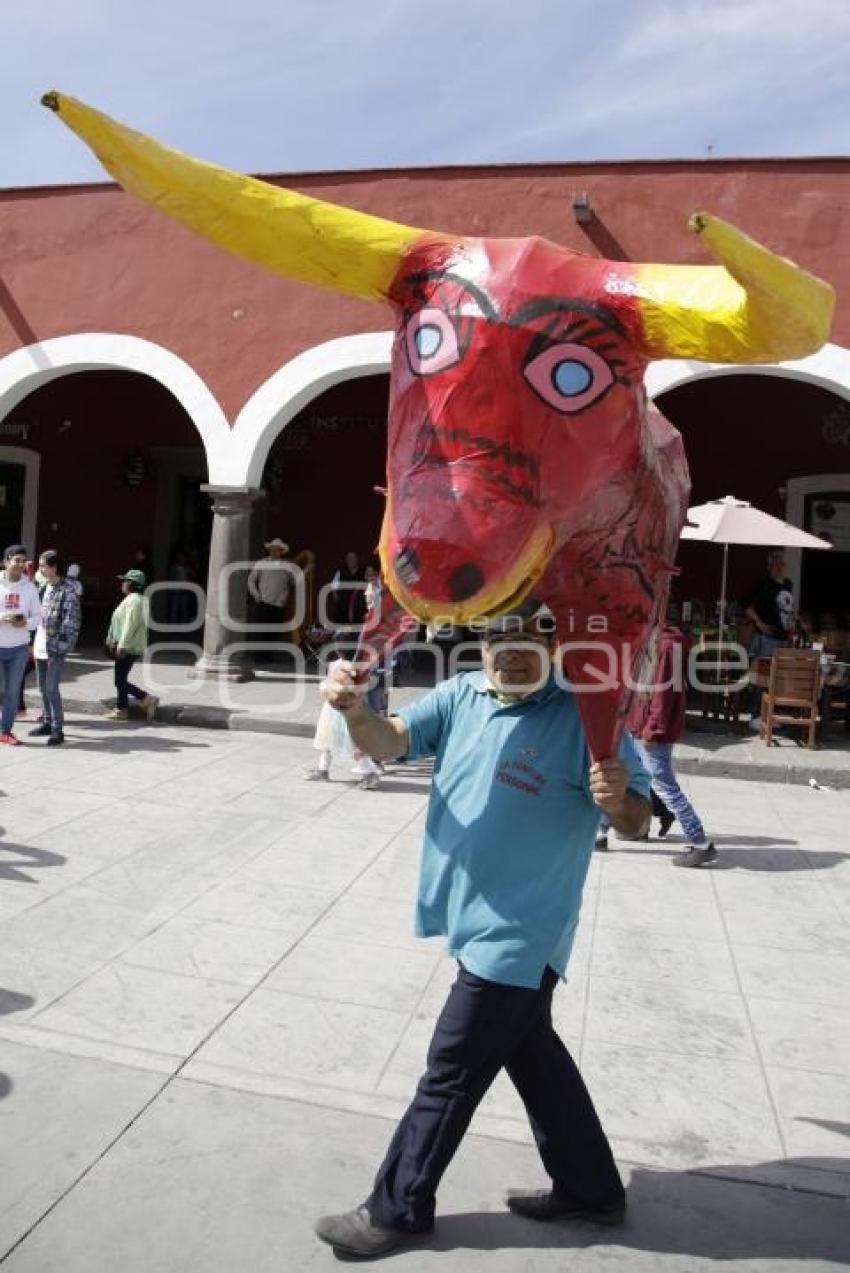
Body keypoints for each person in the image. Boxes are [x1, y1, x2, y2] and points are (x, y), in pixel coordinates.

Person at [313, 599, 651, 1260]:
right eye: (502, 634)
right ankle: (591, 1188)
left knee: (450, 1070)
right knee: (534, 1056)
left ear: (555, 643)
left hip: (521, 932)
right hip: (471, 918)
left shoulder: (589, 712)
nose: (516, 647)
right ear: (481, 642)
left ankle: (398, 1208)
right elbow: (392, 743)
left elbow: (636, 818)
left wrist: (619, 799)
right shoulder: (461, 693)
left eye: (533, 633)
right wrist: (354, 709)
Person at [621, 621, 715, 869]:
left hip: (650, 730)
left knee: (665, 787)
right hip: (638, 724)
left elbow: (662, 694)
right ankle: (605, 833)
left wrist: (653, 728)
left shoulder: (663, 646)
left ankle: (701, 843)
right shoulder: (650, 640)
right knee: (629, 776)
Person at [29, 550, 82, 747]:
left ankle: (57, 730)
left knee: (52, 688)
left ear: (54, 567)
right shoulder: (42, 588)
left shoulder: (67, 591)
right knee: (42, 687)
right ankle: (47, 722)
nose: (40, 569)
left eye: (43, 565)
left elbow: (71, 623)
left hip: (55, 649)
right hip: (40, 644)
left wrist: (60, 648)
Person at [0, 545, 42, 744]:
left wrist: (24, 622)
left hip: (18, 649)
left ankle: (4, 730)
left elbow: (38, 618)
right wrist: (2, 617)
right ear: (6, 561)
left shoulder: (30, 588)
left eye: (22, 561)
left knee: (12, 691)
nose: (19, 564)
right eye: (15, 560)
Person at [105, 569, 158, 722]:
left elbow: (130, 624)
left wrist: (122, 645)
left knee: (119, 680)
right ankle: (122, 709)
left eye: (125, 581)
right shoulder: (135, 599)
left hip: (128, 647)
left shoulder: (135, 600)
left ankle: (146, 698)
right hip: (128, 645)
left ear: (132, 584)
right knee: (120, 678)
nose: (122, 584)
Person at [741, 551, 795, 658]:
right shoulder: (762, 584)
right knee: (765, 672)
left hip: (785, 638)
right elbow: (744, 603)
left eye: (781, 564)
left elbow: (789, 606)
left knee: (781, 672)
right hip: (768, 638)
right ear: (769, 567)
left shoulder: (788, 584)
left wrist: (794, 620)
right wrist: (759, 623)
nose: (779, 567)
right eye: (775, 564)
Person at [247, 538, 292, 641]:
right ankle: (258, 657)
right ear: (269, 550)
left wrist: (307, 570)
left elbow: (292, 582)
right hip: (264, 603)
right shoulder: (261, 563)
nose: (274, 552)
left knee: (274, 635)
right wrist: (256, 595)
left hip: (278, 606)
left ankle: (269, 657)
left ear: (281, 552)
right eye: (272, 549)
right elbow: (251, 580)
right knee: (260, 634)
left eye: (277, 550)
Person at [329, 550, 364, 625]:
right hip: (343, 609)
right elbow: (333, 587)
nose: (351, 561)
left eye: (353, 559)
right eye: (349, 559)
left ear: (357, 560)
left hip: (359, 608)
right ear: (346, 561)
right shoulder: (341, 572)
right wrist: (338, 600)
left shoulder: (364, 571)